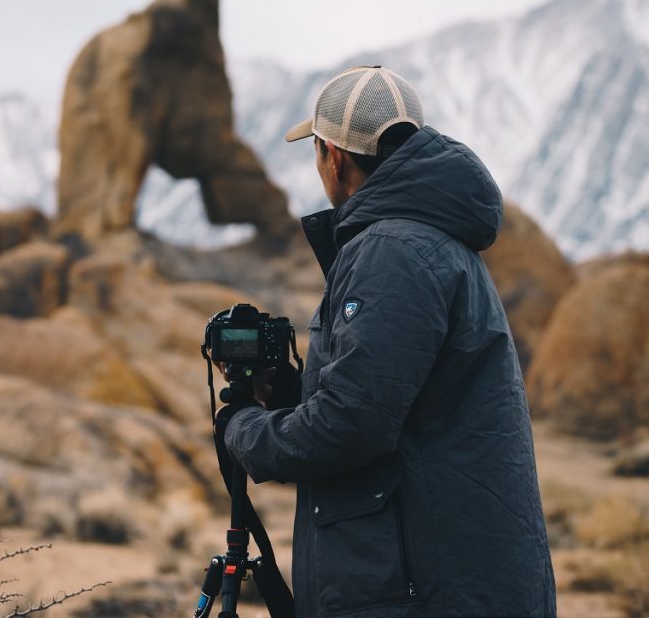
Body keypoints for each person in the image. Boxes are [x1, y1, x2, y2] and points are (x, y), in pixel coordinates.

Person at [221, 66, 557, 617]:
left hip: (418, 590)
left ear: (334, 156)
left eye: (317, 151)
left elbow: (352, 426)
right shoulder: (432, 241)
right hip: (448, 574)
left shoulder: (391, 251)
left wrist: (244, 432)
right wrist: (292, 395)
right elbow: (404, 409)